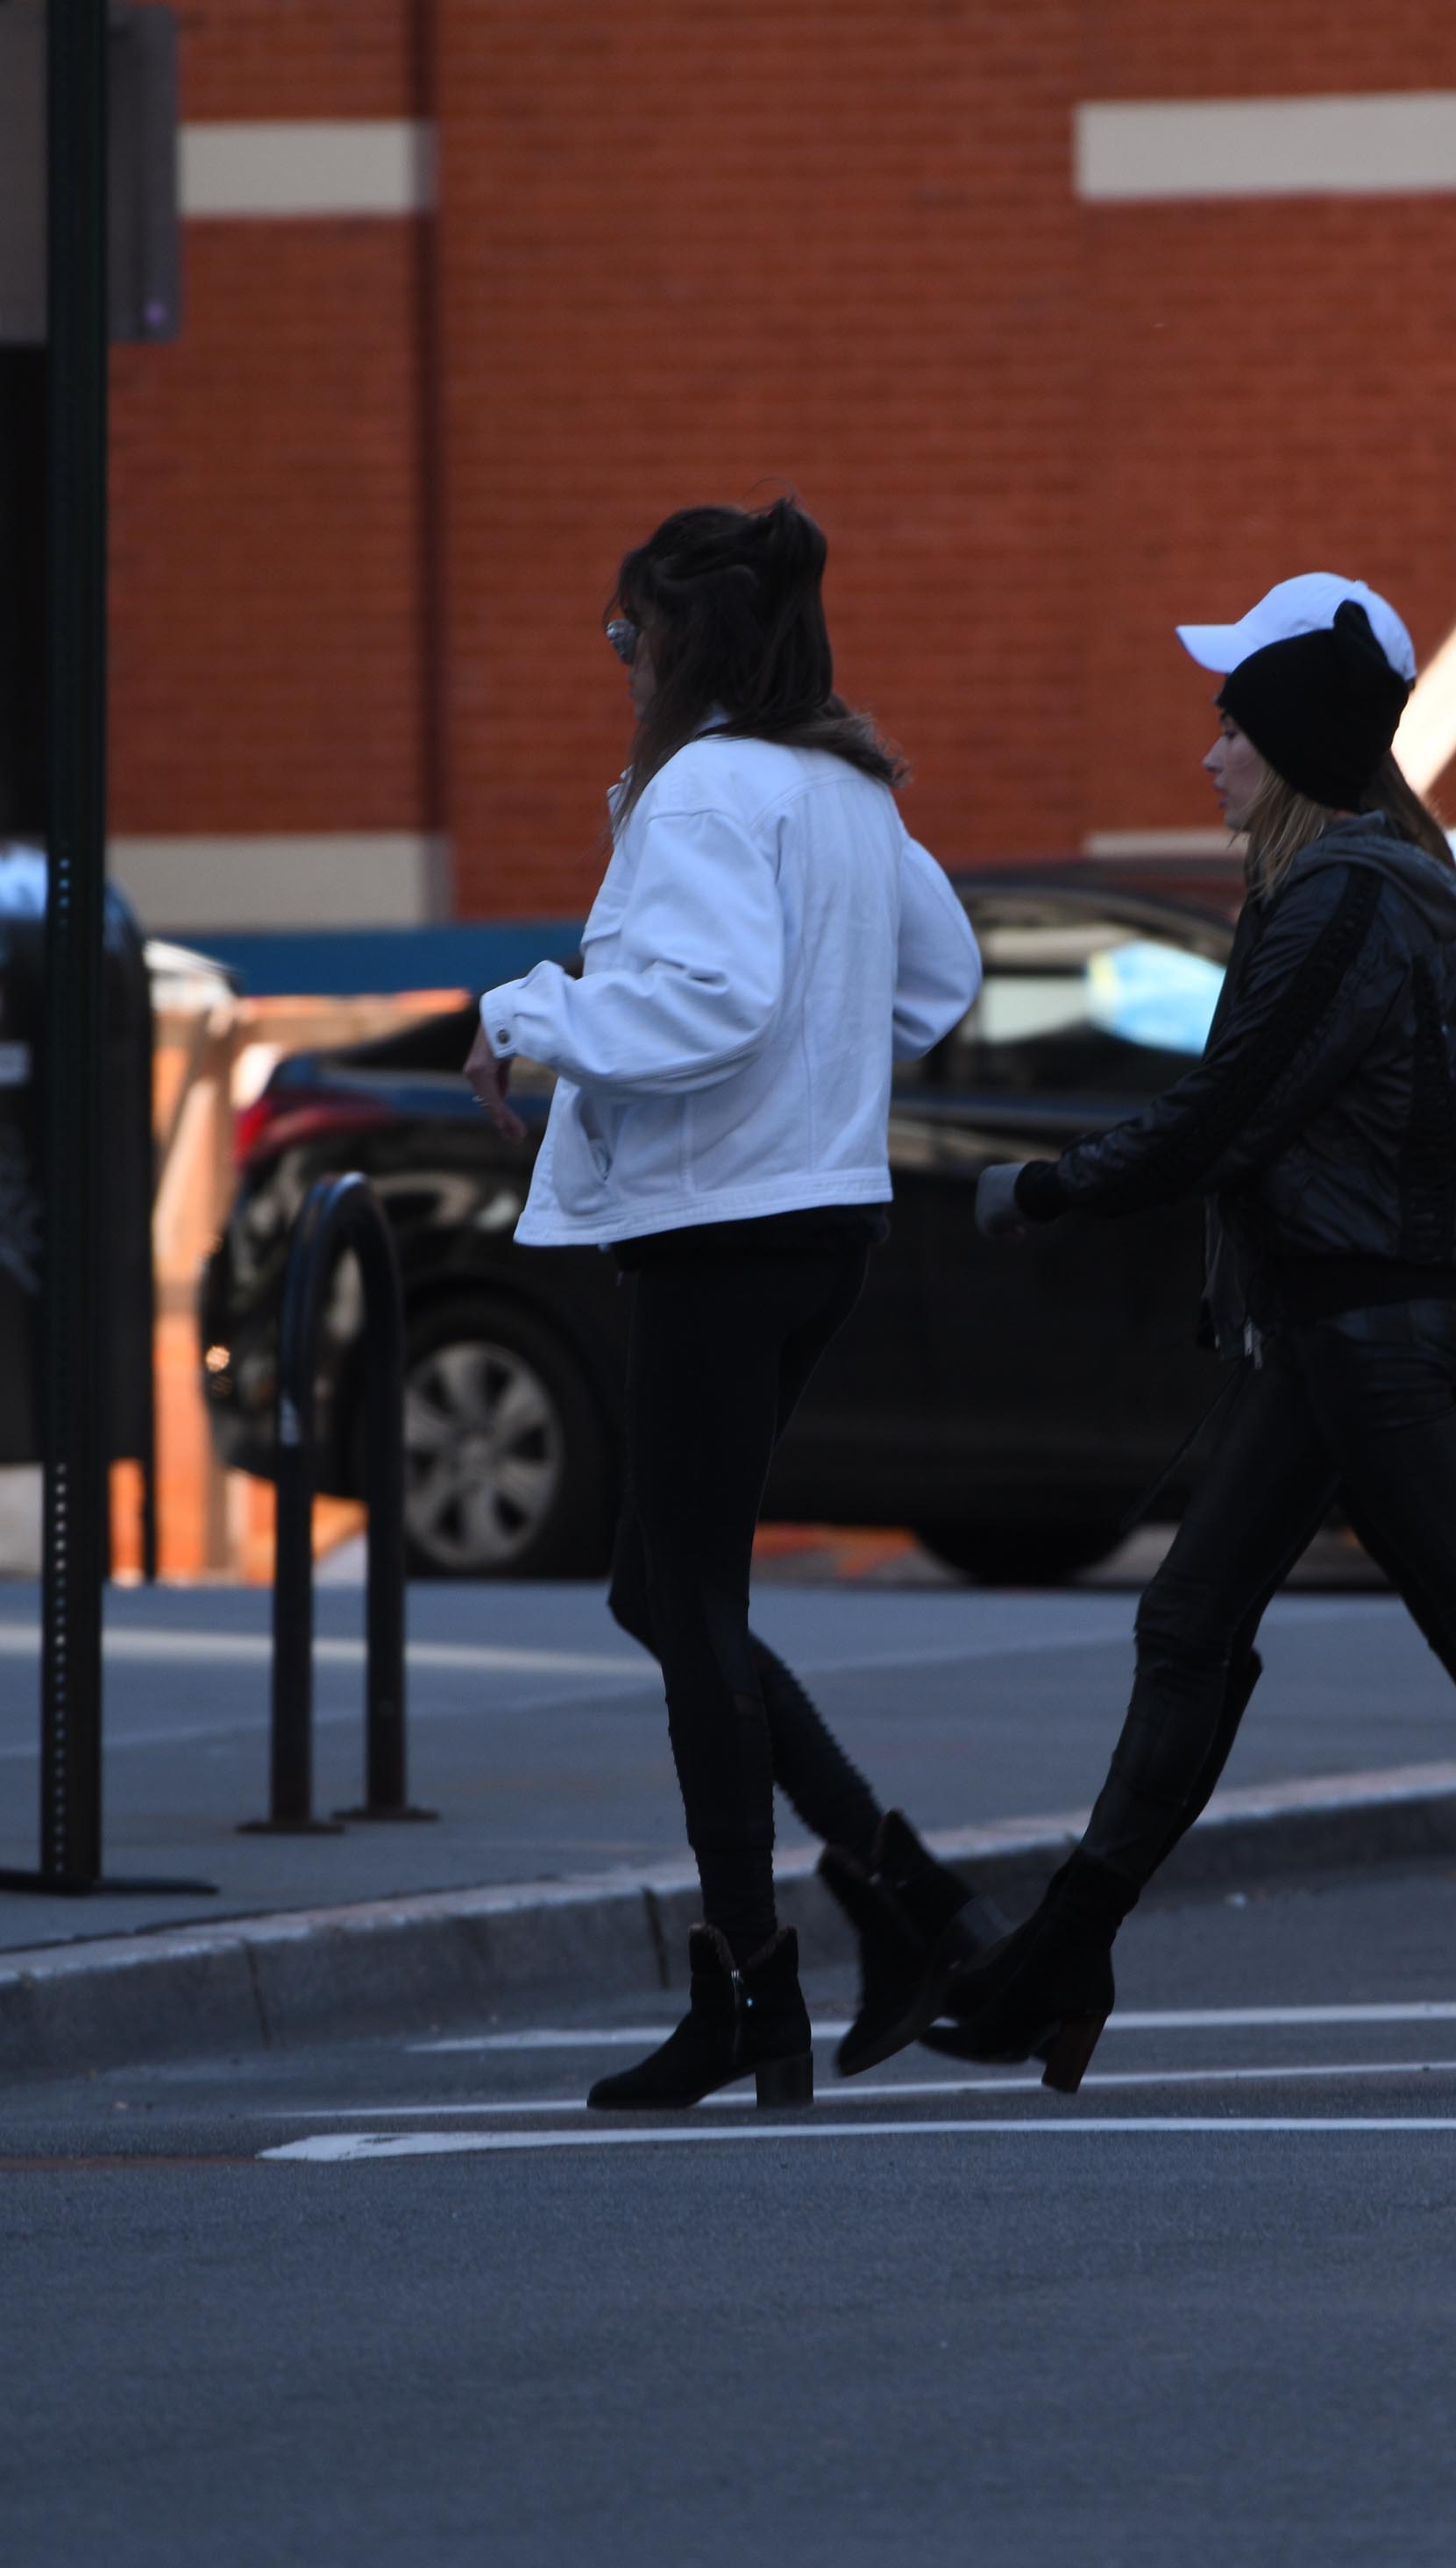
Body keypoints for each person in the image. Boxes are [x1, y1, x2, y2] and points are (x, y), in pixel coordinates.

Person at [931, 581, 1456, 2094]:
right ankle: (1066, 1953)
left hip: (1365, 1324)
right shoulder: (1352, 885)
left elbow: (1231, 1111)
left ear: (1296, 731)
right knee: (1195, 1625)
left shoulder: (1349, 901)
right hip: (1327, 1318)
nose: (1209, 750)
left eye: (1230, 718)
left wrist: (1046, 1187)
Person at [463, 497, 994, 2110]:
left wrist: (530, 1015)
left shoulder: (705, 790)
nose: (617, 666)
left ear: (683, 643)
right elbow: (937, 979)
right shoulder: (844, 785)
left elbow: (704, 998)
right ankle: (909, 1899)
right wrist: (819, 1078)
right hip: (818, 1219)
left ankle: (757, 1986)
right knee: (661, 1589)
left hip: (716, 1228)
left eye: (627, 637)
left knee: (688, 1610)